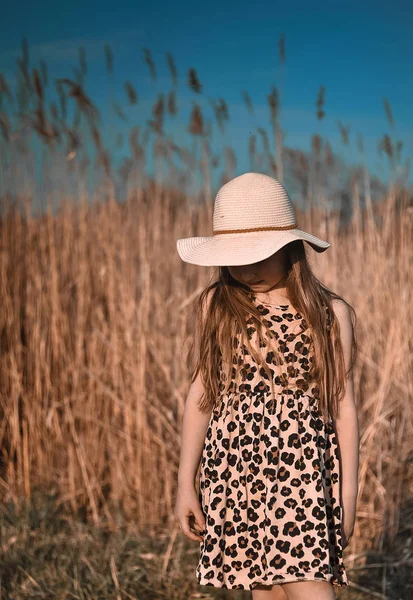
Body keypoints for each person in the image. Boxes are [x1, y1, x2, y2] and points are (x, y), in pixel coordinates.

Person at [174, 172, 359, 600]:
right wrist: (187, 483)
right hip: (236, 475)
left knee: (312, 591)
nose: (244, 267)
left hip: (305, 480)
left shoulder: (329, 313)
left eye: (257, 255)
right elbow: (202, 395)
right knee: (269, 594)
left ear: (290, 248)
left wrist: (347, 491)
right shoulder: (216, 306)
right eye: (235, 256)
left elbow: (343, 405)